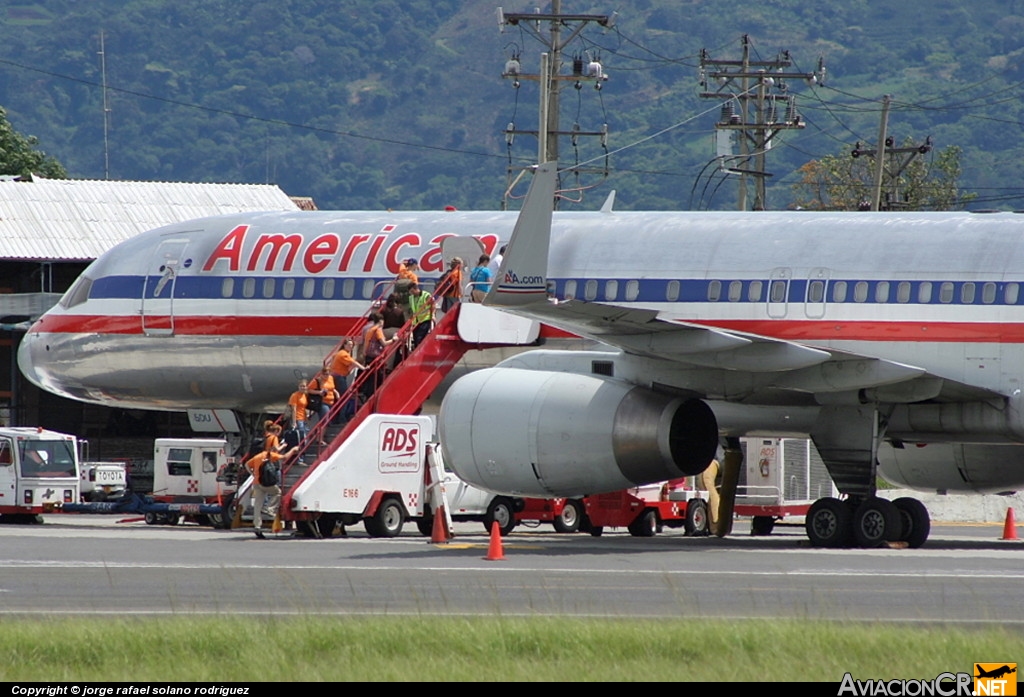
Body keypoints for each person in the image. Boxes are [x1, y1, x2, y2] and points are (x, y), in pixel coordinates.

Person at [244, 444, 298, 538]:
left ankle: (257, 525)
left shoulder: (257, 457)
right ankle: (270, 509)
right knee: (277, 493)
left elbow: (246, 464)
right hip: (267, 482)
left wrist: (252, 473)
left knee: (258, 504)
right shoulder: (269, 455)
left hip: (257, 482)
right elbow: (284, 457)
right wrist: (293, 449)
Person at [288, 379, 311, 443]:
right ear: (298, 387)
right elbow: (293, 409)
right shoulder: (295, 395)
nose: (303, 388)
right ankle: (301, 447)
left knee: (306, 433)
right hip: (298, 418)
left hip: (304, 418)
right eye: (301, 386)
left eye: (304, 386)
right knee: (301, 434)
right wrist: (294, 422)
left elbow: (304, 407)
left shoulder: (304, 395)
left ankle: (304, 447)